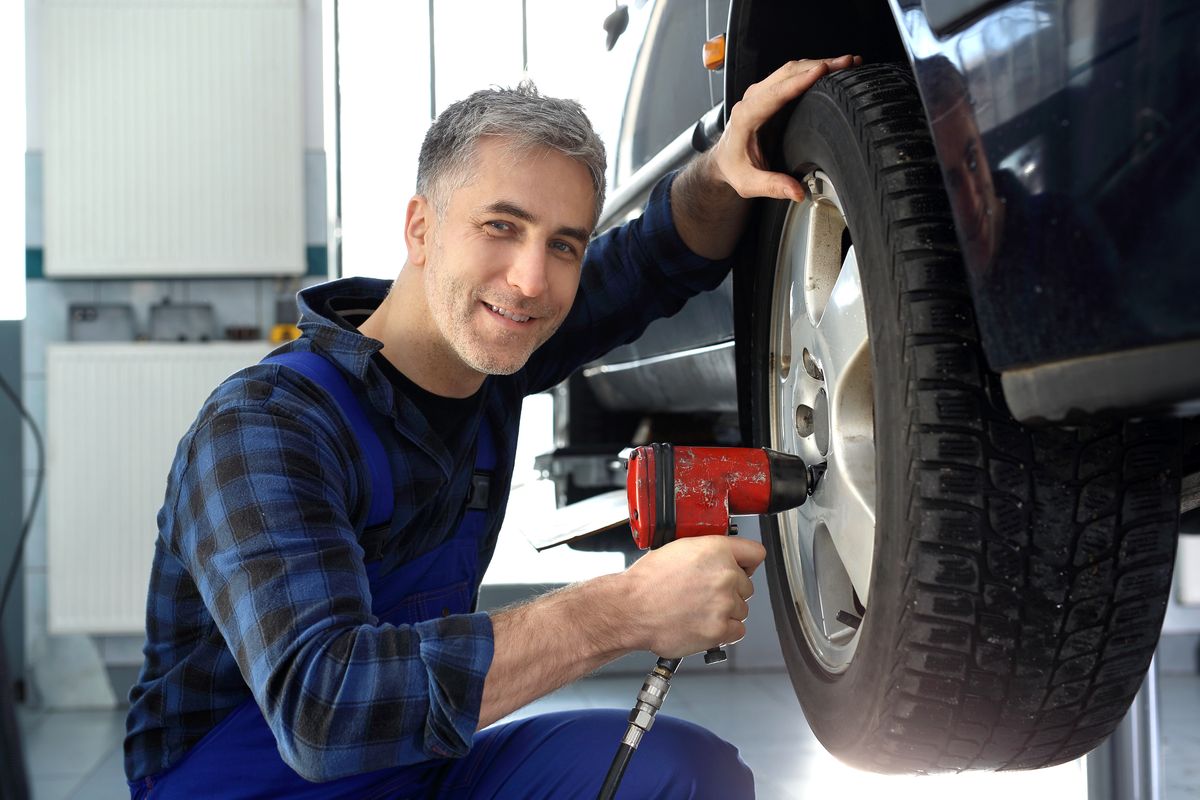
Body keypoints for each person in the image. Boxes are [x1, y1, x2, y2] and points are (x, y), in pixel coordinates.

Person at [124, 55, 861, 799]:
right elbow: (324, 711)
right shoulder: (266, 427)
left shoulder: (494, 358)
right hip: (252, 787)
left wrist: (725, 164)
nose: (531, 279)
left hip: (415, 773)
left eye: (563, 243)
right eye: (501, 226)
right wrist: (621, 610)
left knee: (682, 775)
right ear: (421, 228)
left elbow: (653, 258)